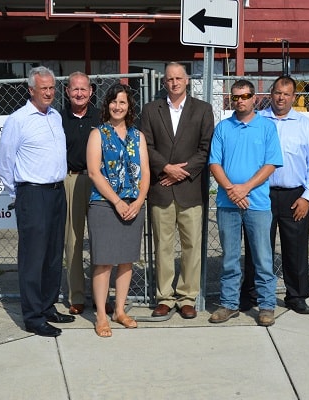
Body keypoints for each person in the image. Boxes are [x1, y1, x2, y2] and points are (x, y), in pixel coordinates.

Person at [0, 66, 75, 337]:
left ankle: (47, 306)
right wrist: (20, 192)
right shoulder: (18, 120)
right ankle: (32, 317)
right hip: (33, 193)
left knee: (54, 254)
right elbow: (5, 162)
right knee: (34, 257)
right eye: (44, 88)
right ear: (31, 90)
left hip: (56, 192)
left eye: (52, 88)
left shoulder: (55, 116)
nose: (49, 93)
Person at [240, 75, 309, 314]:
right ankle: (252, 293)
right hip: (260, 193)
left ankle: (296, 296)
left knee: (295, 248)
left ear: (293, 98)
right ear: (270, 94)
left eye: (287, 94)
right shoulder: (257, 121)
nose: (281, 98)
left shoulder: (304, 125)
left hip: (293, 196)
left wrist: (307, 197)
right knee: (257, 246)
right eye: (277, 92)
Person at [140, 62, 214, 319]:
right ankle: (164, 297)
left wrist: (182, 172)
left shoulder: (203, 110)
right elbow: (146, 146)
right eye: (170, 79)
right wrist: (166, 168)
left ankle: (187, 297)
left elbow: (205, 149)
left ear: (187, 80)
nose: (174, 83)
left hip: (191, 189)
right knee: (163, 246)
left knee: (192, 245)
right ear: (164, 83)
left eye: (178, 78)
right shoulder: (150, 110)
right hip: (161, 188)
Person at [208, 79, 283, 327]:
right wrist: (231, 190)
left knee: (262, 258)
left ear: (254, 98)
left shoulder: (266, 128)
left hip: (257, 203)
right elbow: (214, 163)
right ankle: (229, 304)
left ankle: (266, 306)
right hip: (227, 203)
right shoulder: (223, 128)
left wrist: (245, 188)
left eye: (245, 96)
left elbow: (270, 164)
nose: (240, 100)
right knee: (229, 257)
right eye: (236, 97)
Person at [86, 83, 150, 337]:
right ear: (107, 105)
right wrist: (117, 201)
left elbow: (145, 172)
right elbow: (93, 172)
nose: (117, 106)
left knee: (126, 260)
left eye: (122, 102)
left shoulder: (138, 136)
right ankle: (101, 315)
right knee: (103, 262)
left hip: (134, 205)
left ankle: (120, 311)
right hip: (104, 204)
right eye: (113, 102)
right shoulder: (97, 134)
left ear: (129, 106)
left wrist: (138, 201)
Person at [60, 71, 114, 316]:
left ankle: (101, 296)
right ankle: (77, 296)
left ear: (91, 92)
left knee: (101, 241)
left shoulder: (101, 119)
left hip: (98, 181)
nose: (79, 93)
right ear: (68, 92)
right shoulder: (57, 119)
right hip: (70, 180)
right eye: (75, 89)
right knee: (72, 241)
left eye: (84, 89)